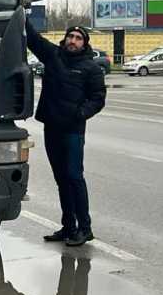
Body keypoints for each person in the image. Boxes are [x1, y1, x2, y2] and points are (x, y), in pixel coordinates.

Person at [26, 20, 106, 246]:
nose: (73, 41)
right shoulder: (54, 56)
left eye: (78, 38)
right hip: (52, 127)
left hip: (73, 130)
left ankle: (85, 228)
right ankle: (68, 226)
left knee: (74, 177)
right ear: (65, 39)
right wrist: (21, 12)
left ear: (84, 44)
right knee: (61, 178)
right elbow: (33, 39)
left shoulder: (90, 68)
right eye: (71, 36)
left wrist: (80, 114)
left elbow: (98, 98)